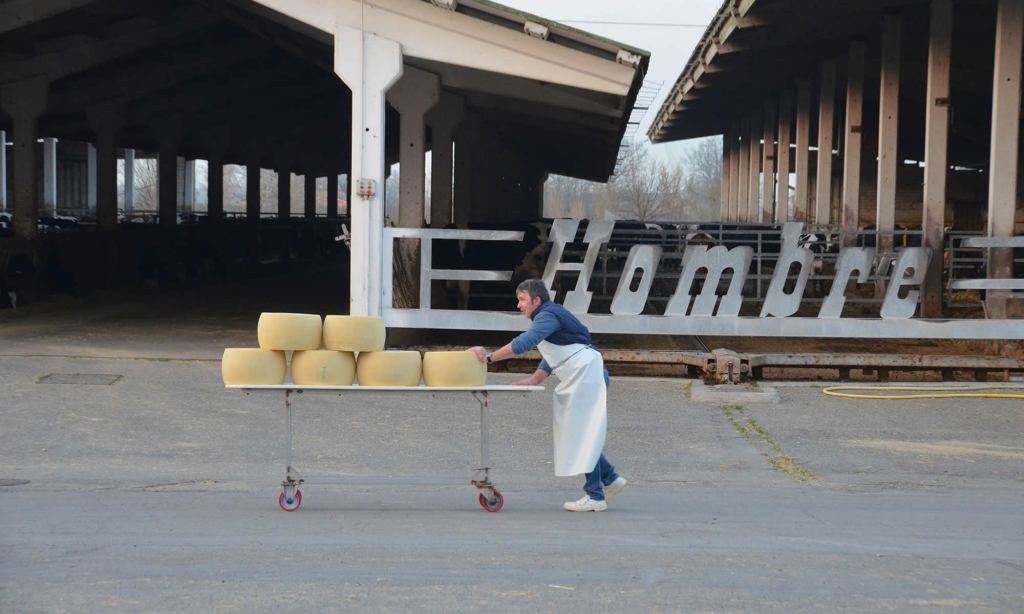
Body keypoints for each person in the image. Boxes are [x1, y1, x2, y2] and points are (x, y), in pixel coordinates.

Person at [469, 279, 626, 512]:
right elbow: (553, 352)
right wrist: (534, 379)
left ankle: (595, 496)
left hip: (587, 375)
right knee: (581, 433)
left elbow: (525, 343)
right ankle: (610, 478)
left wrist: (489, 358)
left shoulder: (547, 316)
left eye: (522, 299)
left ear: (537, 300)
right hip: (586, 374)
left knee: (581, 435)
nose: (518, 305)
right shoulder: (549, 316)